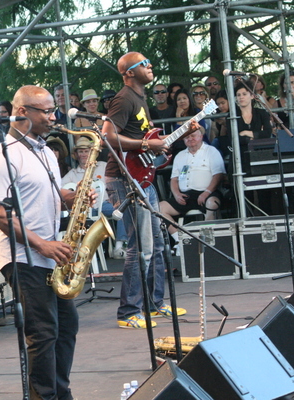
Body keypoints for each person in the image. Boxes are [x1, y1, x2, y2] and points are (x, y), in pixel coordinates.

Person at [0, 84, 92, 400]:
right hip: (23, 256)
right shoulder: (4, 155)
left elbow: (41, 194)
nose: (53, 116)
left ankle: (60, 392)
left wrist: (70, 198)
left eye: (52, 109)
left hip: (49, 253)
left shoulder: (45, 150)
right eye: (46, 111)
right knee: (43, 333)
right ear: (22, 112)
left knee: (67, 327)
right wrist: (42, 245)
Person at [102, 52, 188, 329]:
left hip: (142, 177)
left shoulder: (140, 98)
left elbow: (144, 139)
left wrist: (165, 143)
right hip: (124, 181)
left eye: (149, 62)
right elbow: (108, 136)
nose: (150, 66)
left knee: (158, 244)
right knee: (140, 249)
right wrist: (145, 147)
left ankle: (154, 304)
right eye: (143, 64)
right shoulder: (124, 98)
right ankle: (128, 312)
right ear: (129, 73)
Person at [159, 128, 225, 253]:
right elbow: (174, 179)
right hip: (186, 195)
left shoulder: (211, 151)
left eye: (193, 136)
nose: (190, 139)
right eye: (187, 137)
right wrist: (177, 194)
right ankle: (180, 239)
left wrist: (206, 192)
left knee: (212, 203)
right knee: (159, 209)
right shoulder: (180, 155)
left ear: (201, 136)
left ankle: (207, 240)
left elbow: (218, 175)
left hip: (208, 193)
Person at [62, 137, 128, 258]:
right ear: (76, 154)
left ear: (92, 152)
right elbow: (59, 188)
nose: (83, 154)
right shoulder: (72, 174)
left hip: (105, 204)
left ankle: (119, 247)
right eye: (81, 151)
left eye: (86, 151)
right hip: (85, 209)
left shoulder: (103, 166)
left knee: (123, 209)